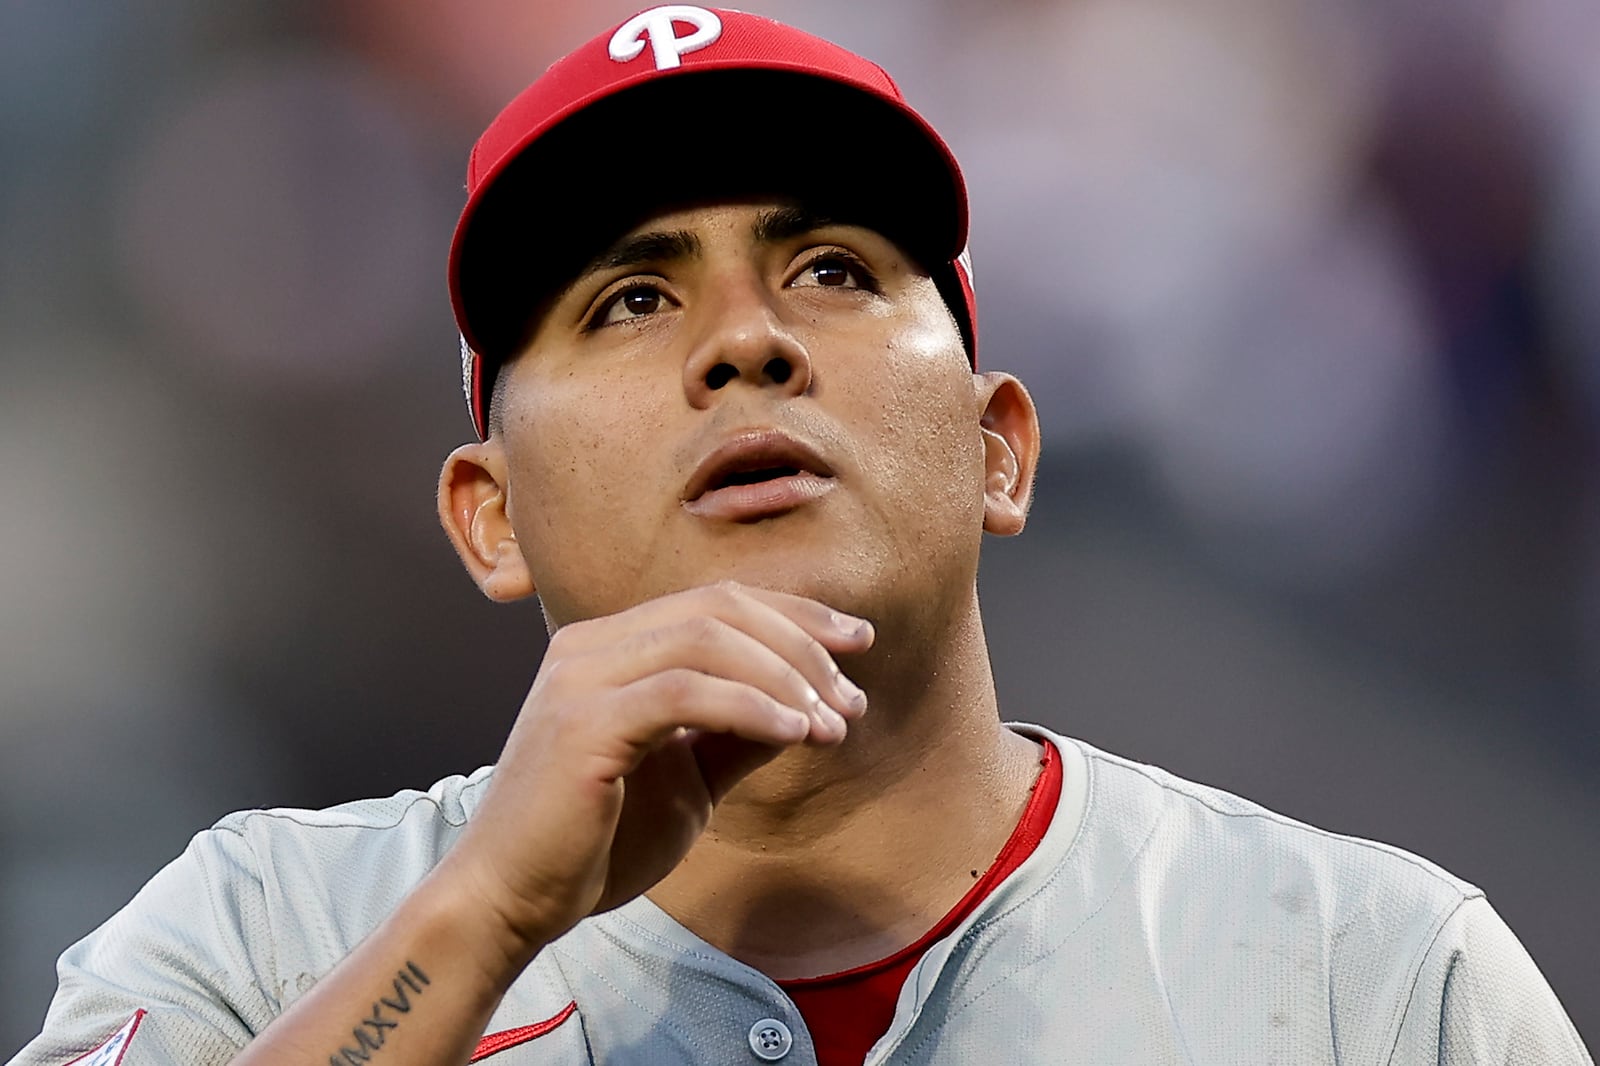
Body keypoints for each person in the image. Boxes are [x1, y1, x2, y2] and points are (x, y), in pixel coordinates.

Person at [11, 7, 1592, 1065]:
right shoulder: (262, 930)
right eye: (629, 299)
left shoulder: (1374, 980)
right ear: (488, 518)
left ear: (999, 447)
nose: (744, 344)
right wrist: (479, 921)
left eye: (833, 268)